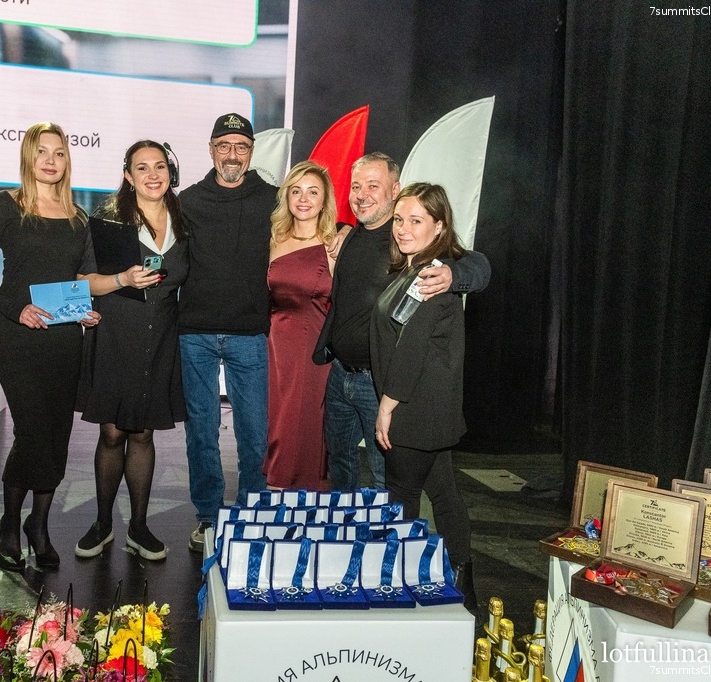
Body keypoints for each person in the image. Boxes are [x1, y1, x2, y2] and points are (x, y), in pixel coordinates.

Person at [0, 122, 100, 573]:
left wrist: (85, 309)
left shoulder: (79, 217)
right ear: (28, 156)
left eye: (59, 153)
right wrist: (15, 307)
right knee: (31, 432)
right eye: (42, 151)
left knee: (57, 434)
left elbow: (83, 277)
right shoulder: (4, 206)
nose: (50, 160)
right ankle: (9, 522)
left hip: (64, 339)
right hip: (18, 336)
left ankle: (37, 525)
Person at [313, 152, 490, 492]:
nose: (361, 194)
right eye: (356, 186)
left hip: (377, 383)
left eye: (373, 185)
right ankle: (345, 526)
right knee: (340, 467)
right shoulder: (349, 236)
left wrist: (453, 275)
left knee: (386, 478)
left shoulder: (408, 238)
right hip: (339, 375)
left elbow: (479, 264)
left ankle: (384, 529)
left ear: (395, 190)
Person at [73, 140, 189, 561]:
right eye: (142, 168)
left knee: (143, 432)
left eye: (159, 166)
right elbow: (82, 280)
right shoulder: (110, 222)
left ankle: (138, 528)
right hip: (115, 335)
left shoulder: (184, 220)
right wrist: (122, 279)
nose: (152, 175)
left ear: (170, 172)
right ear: (128, 175)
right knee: (112, 432)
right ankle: (103, 524)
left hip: (161, 339)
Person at [370, 182, 474, 611]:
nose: (403, 228)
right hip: (430, 409)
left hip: (413, 409)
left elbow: (411, 347)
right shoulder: (415, 270)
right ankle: (465, 590)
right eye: (399, 219)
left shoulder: (431, 276)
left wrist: (386, 406)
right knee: (445, 495)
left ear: (439, 226)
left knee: (401, 501)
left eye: (416, 220)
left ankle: (399, 588)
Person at [178, 113, 275, 552]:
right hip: (195, 332)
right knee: (202, 431)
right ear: (211, 149)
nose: (232, 155)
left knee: (254, 434)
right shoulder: (188, 200)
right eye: (224, 146)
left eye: (241, 146)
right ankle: (209, 516)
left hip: (249, 332)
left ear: (251, 151)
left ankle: (252, 512)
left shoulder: (273, 200)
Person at [264, 161, 338, 490]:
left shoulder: (335, 245)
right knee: (276, 416)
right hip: (274, 344)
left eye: (312, 192)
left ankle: (294, 487)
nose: (303, 199)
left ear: (324, 200)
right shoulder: (274, 240)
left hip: (312, 346)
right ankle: (278, 487)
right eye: (296, 191)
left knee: (303, 418)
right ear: (287, 197)